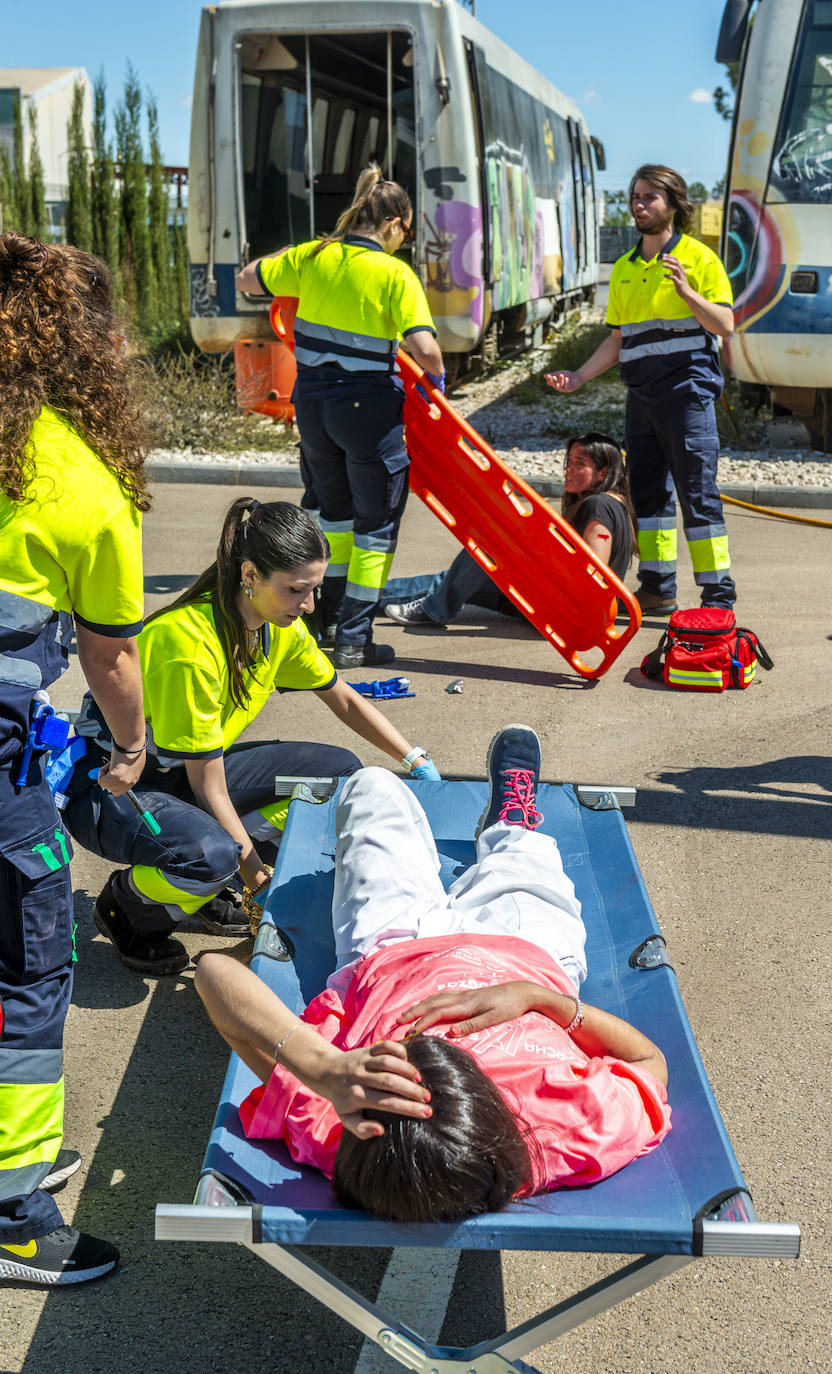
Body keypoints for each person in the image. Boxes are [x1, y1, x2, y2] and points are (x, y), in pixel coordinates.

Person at [195, 726, 670, 1224]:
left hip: (389, 949)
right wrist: (537, 999)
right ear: (493, 1106)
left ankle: (476, 840)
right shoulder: (567, 1128)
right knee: (531, 856)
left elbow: (213, 973)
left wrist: (322, 1069)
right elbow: (647, 1059)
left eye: (400, 1054)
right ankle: (512, 823)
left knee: (371, 784)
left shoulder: (348, 1123)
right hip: (527, 954)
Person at [65, 498, 440, 980]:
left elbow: (342, 697)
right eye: (297, 590)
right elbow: (210, 788)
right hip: (118, 788)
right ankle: (127, 908)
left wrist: (414, 759)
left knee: (340, 774)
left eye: (315, 590)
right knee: (211, 855)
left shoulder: (275, 625)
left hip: (190, 774)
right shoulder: (189, 645)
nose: (308, 606)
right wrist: (256, 880)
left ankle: (203, 886)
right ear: (250, 575)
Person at [0, 233, 150, 1284]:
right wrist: (133, 746)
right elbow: (109, 654)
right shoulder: (79, 480)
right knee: (28, 967)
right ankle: (12, 1205)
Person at [236, 164, 445, 669]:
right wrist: (437, 380)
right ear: (395, 225)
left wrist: (301, 260)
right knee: (375, 528)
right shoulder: (394, 273)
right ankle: (353, 638)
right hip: (369, 412)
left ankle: (326, 619)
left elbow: (247, 279)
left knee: (333, 518)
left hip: (313, 408)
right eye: (407, 231)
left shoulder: (315, 255)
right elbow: (425, 346)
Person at [546, 165, 736, 615]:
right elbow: (618, 339)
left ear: (673, 204)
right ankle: (656, 588)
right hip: (642, 400)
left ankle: (717, 599)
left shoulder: (699, 258)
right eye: (635, 196)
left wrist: (688, 292)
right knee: (648, 498)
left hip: (688, 396)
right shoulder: (624, 270)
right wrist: (579, 376)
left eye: (650, 197)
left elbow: (725, 324)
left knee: (699, 499)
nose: (639, 204)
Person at [382, 432, 636, 628]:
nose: (568, 469)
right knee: (452, 580)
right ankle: (358, 602)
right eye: (569, 461)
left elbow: (594, 576)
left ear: (604, 472)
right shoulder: (616, 505)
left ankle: (432, 610)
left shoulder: (599, 505)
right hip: (558, 605)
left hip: (561, 611)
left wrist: (533, 553)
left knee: (489, 545)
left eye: (579, 463)